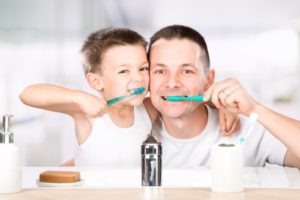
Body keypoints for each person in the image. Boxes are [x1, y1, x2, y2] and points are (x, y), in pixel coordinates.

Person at [19, 27, 238, 167]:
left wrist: (221, 104)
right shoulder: (87, 115)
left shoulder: (147, 108)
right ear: (96, 82)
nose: (137, 79)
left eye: (143, 69)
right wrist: (79, 97)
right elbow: (28, 94)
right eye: (124, 71)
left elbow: (182, 98)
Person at [148, 24, 300, 169]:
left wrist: (255, 109)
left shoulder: (247, 129)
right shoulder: (138, 129)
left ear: (208, 80)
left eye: (187, 71)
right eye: (160, 71)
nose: (172, 83)